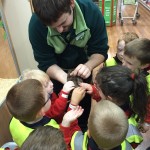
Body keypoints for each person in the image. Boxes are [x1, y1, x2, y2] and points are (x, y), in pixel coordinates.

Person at [29, 0, 109, 130]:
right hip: (56, 76)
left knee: (83, 111)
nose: (60, 30)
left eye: (63, 23)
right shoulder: (36, 25)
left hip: (85, 70)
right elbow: (46, 62)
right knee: (59, 113)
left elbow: (100, 51)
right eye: (53, 27)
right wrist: (66, 80)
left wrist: (88, 66)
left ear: (71, 4)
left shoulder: (91, 12)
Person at [80, 65, 148, 148]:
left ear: (109, 97)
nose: (95, 87)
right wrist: (94, 90)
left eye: (97, 87)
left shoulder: (125, 130)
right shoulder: (126, 95)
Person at [6, 79, 85, 147]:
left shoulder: (15, 119)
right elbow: (66, 143)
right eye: (48, 96)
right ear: (41, 112)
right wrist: (73, 105)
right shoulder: (51, 132)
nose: (49, 93)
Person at [60, 100, 129, 150]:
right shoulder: (128, 147)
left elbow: (63, 145)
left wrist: (65, 123)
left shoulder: (77, 143)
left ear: (88, 133)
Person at [122, 38, 150, 133]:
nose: (123, 65)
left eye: (129, 63)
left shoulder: (147, 83)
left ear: (144, 65)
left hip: (136, 114)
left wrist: (146, 122)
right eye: (123, 60)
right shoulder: (131, 69)